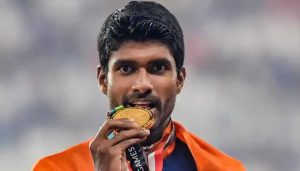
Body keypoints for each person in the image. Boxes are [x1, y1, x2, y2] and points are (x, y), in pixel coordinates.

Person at [33, 1, 245, 171]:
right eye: (126, 69)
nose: (142, 84)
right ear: (103, 80)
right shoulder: (54, 168)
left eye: (157, 67)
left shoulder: (223, 168)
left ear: (179, 80)